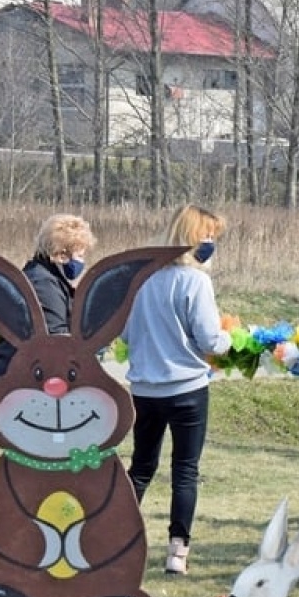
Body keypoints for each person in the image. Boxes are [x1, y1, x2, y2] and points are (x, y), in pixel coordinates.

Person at [122, 204, 232, 576]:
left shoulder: (139, 278)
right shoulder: (194, 280)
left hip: (145, 387)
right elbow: (208, 338)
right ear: (193, 238)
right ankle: (177, 551)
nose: (212, 245)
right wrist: (229, 340)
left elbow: (123, 330)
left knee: (141, 467)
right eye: (209, 237)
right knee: (184, 470)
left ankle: (111, 538)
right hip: (186, 387)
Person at [0, 214, 95, 379]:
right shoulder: (43, 284)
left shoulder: (47, 278)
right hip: (20, 378)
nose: (80, 262)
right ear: (59, 253)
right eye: (77, 255)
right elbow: (56, 339)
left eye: (81, 256)